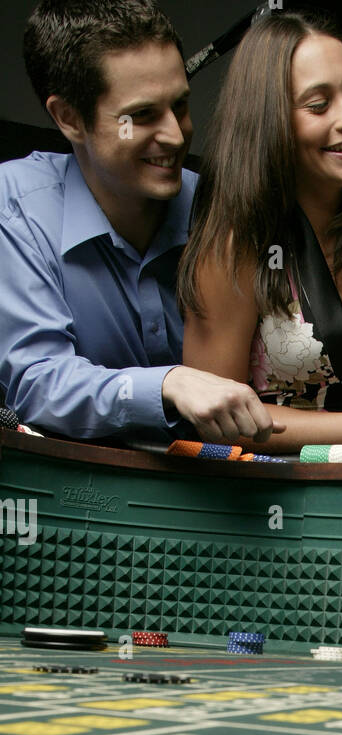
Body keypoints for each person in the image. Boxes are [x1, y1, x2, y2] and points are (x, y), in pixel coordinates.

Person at [0, 0, 274, 444]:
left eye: (180, 105)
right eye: (142, 116)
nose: (176, 135)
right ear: (68, 117)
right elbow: (36, 382)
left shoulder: (218, 206)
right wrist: (169, 383)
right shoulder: (16, 208)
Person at [178, 9, 342, 454]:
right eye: (319, 104)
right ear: (270, 120)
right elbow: (216, 423)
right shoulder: (234, 246)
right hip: (284, 504)